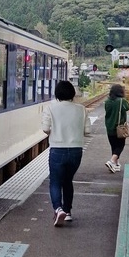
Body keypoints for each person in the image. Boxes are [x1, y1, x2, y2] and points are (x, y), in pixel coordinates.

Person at [41, 80, 91, 227]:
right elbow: (87, 131)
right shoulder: (81, 109)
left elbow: (45, 129)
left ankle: (58, 209)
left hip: (57, 150)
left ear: (57, 94)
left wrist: (55, 131)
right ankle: (68, 212)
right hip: (76, 151)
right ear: (72, 94)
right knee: (68, 181)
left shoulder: (51, 108)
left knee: (55, 182)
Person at [104, 83, 129, 173]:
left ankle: (115, 164)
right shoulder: (121, 101)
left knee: (114, 146)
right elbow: (127, 107)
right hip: (119, 128)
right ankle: (112, 161)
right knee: (120, 146)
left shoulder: (107, 101)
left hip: (109, 128)